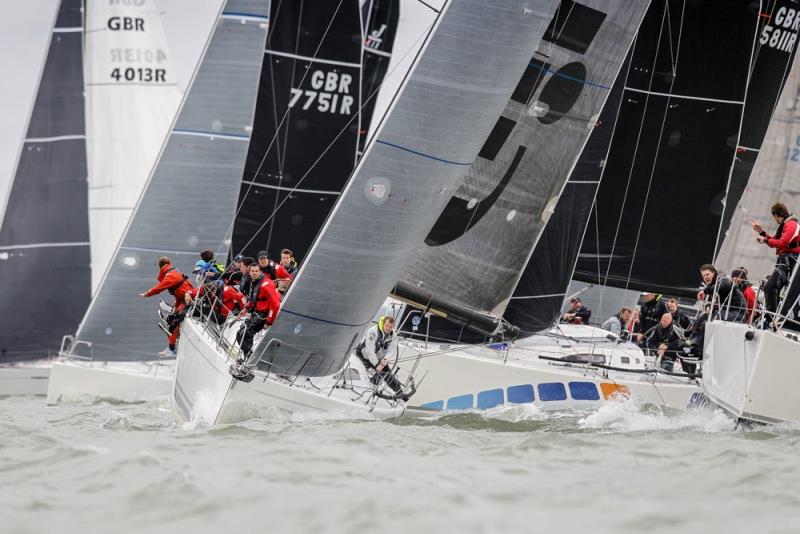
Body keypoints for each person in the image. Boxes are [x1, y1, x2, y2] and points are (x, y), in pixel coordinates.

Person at [752, 202, 800, 320]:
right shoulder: (787, 225)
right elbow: (776, 241)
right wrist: (762, 232)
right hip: (786, 261)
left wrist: (765, 240)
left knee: (770, 286)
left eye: (774, 217)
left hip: (790, 261)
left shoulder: (791, 225)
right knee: (771, 287)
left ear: (776, 215)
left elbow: (782, 243)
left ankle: (772, 318)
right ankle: (773, 318)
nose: (775, 220)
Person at [140, 256, 194, 356]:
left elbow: (159, 288)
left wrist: (147, 293)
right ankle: (172, 316)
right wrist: (175, 306)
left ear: (160, 267)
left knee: (173, 324)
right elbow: (180, 291)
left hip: (187, 300)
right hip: (183, 298)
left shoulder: (170, 275)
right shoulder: (174, 271)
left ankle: (172, 348)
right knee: (174, 316)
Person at [236, 263, 281, 358]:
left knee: (246, 333)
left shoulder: (266, 284)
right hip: (256, 313)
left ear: (260, 272)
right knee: (239, 333)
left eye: (256, 271)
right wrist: (246, 308)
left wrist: (268, 322)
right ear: (249, 272)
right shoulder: (254, 282)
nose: (254, 273)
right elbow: (253, 299)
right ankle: (246, 355)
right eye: (252, 271)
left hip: (263, 316)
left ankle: (249, 357)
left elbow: (275, 305)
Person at [355, 316, 405, 398]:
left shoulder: (394, 336)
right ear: (383, 324)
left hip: (378, 357)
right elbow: (369, 350)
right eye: (387, 325)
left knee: (386, 373)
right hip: (363, 355)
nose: (388, 328)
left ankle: (400, 393)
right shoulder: (373, 332)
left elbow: (391, 351)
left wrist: (385, 359)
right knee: (363, 372)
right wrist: (376, 364)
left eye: (391, 326)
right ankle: (366, 388)